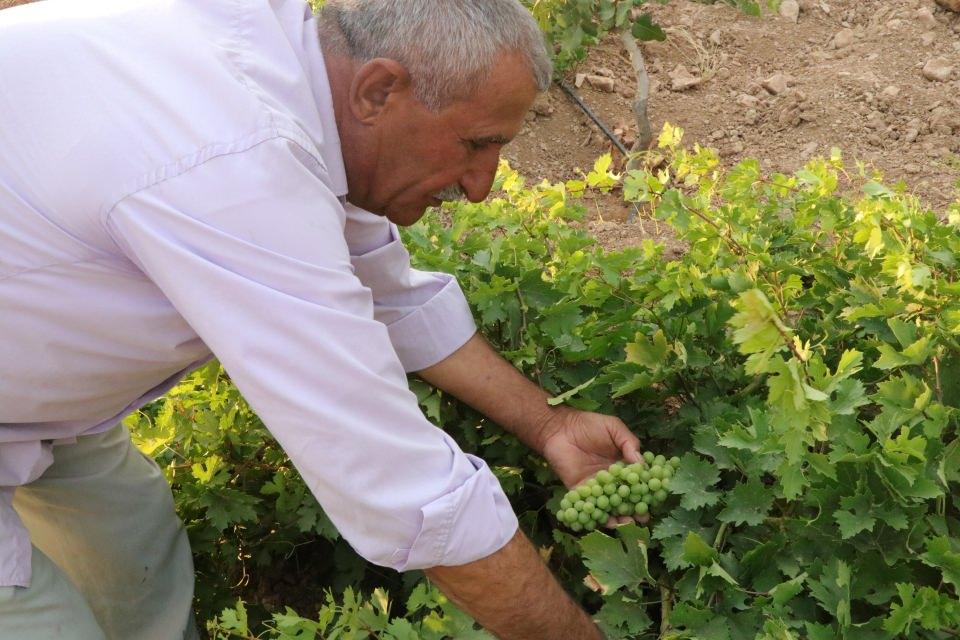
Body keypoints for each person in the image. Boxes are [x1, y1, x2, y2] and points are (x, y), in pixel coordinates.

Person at [0, 1, 642, 638]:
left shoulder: (291, 76)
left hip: (28, 383)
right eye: (475, 144)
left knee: (130, 545)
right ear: (378, 89)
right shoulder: (231, 165)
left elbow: (390, 295)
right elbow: (405, 490)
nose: (480, 185)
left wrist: (551, 424)